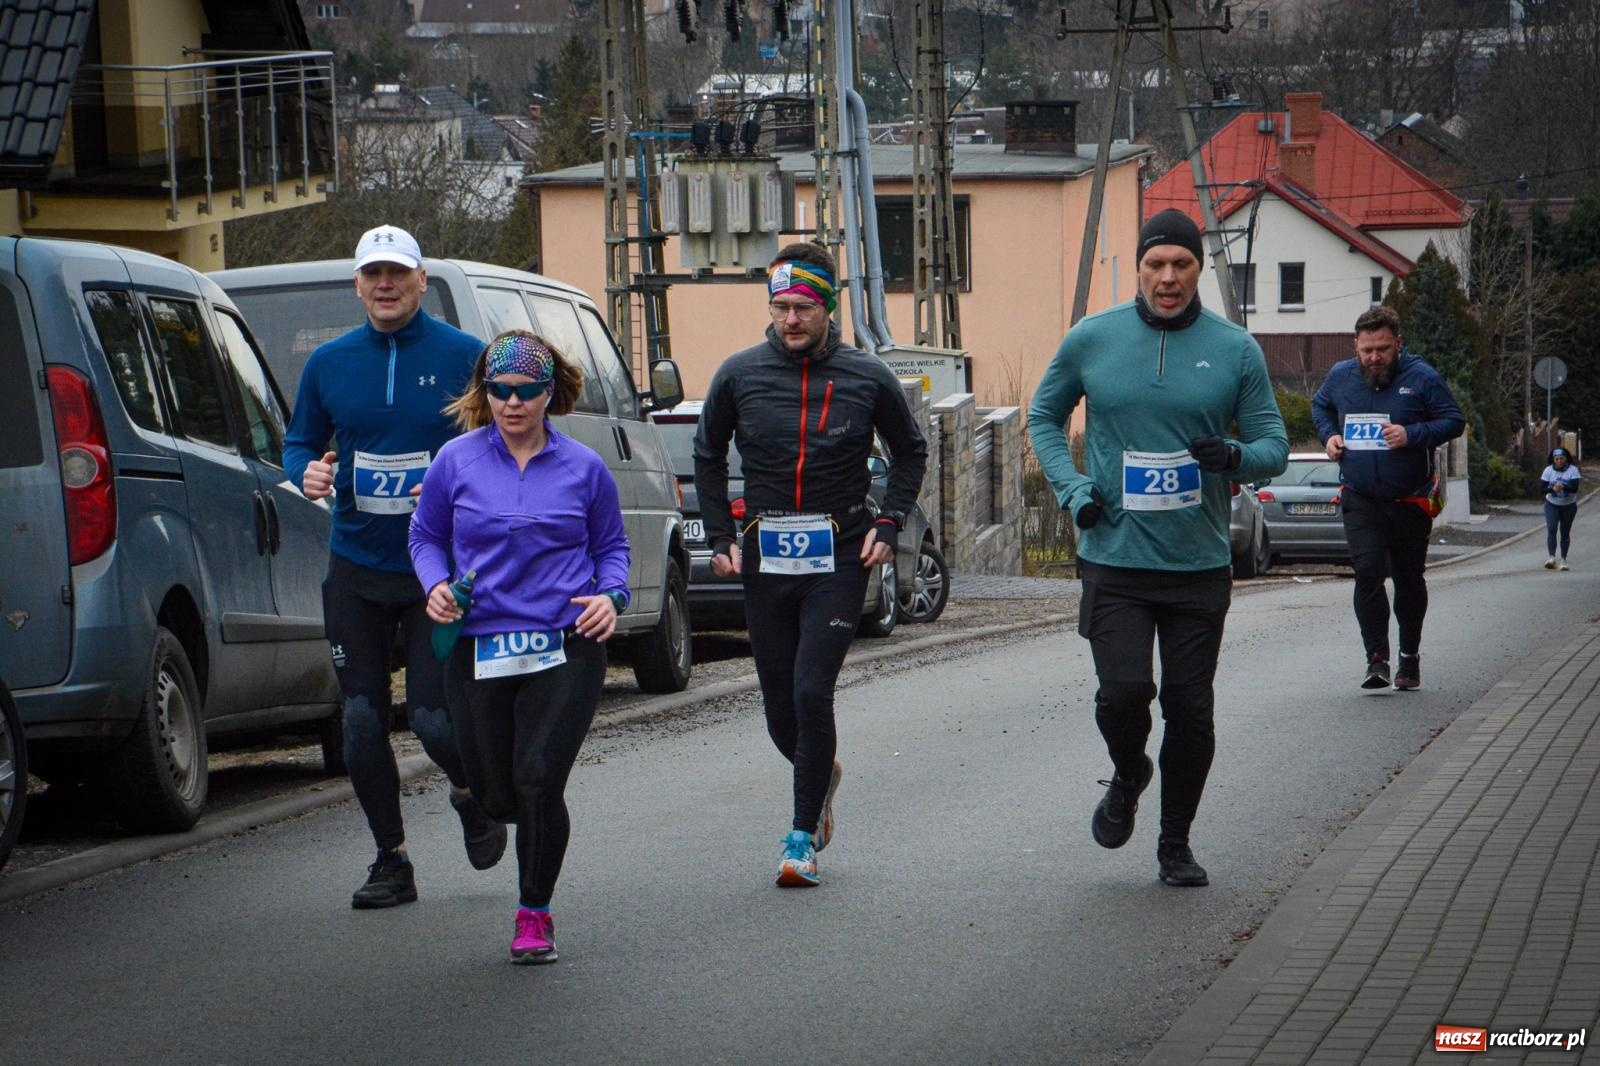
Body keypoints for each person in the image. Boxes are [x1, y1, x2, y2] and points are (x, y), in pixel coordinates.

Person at [1028, 208, 1289, 888]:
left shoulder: (1235, 350)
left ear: (1198, 270)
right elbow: (1043, 418)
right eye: (1155, 265)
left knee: (1190, 708)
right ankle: (1128, 771)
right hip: (1113, 558)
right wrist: (1072, 488)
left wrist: (1232, 454)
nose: (1167, 278)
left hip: (1198, 565)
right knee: (1123, 692)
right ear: (1139, 267)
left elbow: (1274, 448)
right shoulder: (1093, 339)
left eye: (1181, 265)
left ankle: (1175, 845)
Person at [284, 224, 506, 909]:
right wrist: (310, 474)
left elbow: (503, 445)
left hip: (435, 574)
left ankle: (471, 794)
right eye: (373, 275)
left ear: (420, 281)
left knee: (435, 720)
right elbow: (298, 443)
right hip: (354, 566)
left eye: (398, 274)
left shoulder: (466, 355)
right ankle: (392, 860)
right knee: (358, 720)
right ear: (357, 284)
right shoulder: (328, 363)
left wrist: (451, 488)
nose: (385, 285)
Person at [694, 241, 927, 888]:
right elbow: (707, 455)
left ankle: (800, 839)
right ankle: (822, 773)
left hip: (840, 556)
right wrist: (719, 539)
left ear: (828, 307)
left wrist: (889, 520)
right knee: (778, 709)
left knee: (809, 689)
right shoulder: (740, 374)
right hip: (767, 560)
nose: (790, 319)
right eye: (780, 307)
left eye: (803, 307)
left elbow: (911, 451)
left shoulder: (867, 376)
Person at [410, 331, 628, 964]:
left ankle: (534, 913)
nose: (511, 403)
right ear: (486, 394)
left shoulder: (584, 467)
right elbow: (425, 537)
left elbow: (611, 547)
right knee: (498, 794)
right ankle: (484, 806)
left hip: (566, 643)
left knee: (537, 779)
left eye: (526, 392)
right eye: (499, 391)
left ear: (548, 393)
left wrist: (609, 596)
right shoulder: (455, 460)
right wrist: (437, 587)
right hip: (481, 643)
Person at [1312, 305, 1465, 692]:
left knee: (1408, 579)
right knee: (1367, 572)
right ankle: (1376, 660)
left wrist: (1412, 435)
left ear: (1398, 343)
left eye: (1382, 349)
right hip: (1361, 497)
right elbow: (1321, 406)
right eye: (1367, 350)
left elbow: (1453, 420)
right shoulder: (1341, 377)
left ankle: (1409, 657)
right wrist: (1329, 437)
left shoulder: (1422, 377)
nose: (1374, 358)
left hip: (1409, 499)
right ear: (1355, 347)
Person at [1541, 447, 1581, 570]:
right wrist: (1552, 489)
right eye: (1556, 459)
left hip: (1568, 506)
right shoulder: (1548, 470)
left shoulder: (1573, 470)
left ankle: (1563, 559)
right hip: (1552, 504)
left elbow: (1574, 489)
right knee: (1552, 529)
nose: (1559, 461)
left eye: (1561, 458)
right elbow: (1542, 489)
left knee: (1565, 532)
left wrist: (1563, 487)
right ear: (1553, 459)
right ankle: (1551, 558)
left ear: (1566, 458)